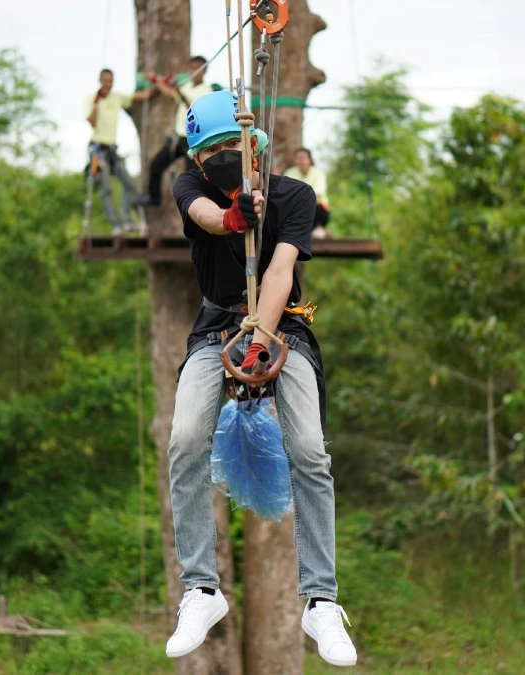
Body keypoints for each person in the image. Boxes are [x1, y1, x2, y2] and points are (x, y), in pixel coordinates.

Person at [163, 90, 357, 668]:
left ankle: (320, 599)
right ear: (198, 160)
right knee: (185, 440)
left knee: (310, 450)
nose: (222, 157)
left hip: (282, 330)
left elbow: (278, 270)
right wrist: (229, 218)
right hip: (214, 328)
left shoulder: (294, 195)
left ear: (255, 147)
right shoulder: (188, 187)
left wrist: (262, 336)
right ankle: (201, 589)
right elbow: (201, 215)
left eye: (232, 146)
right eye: (212, 151)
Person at [136, 56, 216, 208]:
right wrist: (155, 81)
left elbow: (193, 108)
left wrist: (179, 92)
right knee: (156, 165)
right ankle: (154, 199)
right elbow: (171, 94)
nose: (194, 71)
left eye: (198, 68)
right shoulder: (187, 88)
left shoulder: (206, 91)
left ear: (204, 71)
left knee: (190, 176)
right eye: (192, 68)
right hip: (179, 137)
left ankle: (193, 204)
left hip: (193, 140)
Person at [84, 68, 156, 236]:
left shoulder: (117, 97)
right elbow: (92, 122)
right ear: (100, 81)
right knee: (106, 188)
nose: (107, 84)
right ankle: (116, 225)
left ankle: (127, 221)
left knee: (129, 184)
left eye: (110, 81)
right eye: (105, 81)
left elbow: (141, 96)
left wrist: (157, 85)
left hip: (112, 149)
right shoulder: (91, 99)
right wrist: (95, 105)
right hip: (97, 149)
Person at [284, 147, 331, 239]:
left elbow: (318, 193)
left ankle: (319, 228)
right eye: (298, 157)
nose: (301, 161)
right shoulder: (289, 173)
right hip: (296, 208)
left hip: (315, 208)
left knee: (318, 206)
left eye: (303, 158)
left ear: (310, 160)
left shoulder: (319, 173)